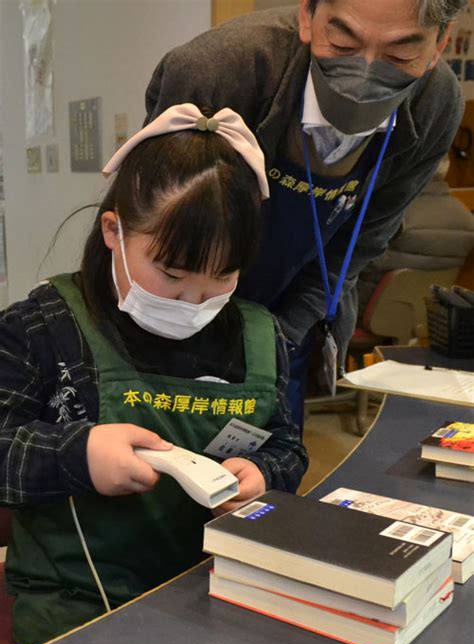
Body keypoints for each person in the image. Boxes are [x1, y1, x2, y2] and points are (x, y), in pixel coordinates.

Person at [0, 104, 308, 644]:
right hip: (80, 605)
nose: (194, 301)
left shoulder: (261, 337)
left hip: (216, 593)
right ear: (115, 231)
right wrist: (79, 454)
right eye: (171, 274)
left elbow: (286, 446)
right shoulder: (43, 328)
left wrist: (264, 476)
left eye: (224, 276)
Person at [143, 0, 467, 430]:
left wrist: (285, 334)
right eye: (342, 41)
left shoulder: (435, 105)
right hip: (178, 311)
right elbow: (151, 224)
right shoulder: (222, 70)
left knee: (269, 473)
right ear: (307, 17)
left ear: (439, 46)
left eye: (398, 55)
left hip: (289, 311)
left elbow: (364, 240)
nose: (364, 75)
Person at [357, 155, 474, 316]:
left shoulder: (395, 211)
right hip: (430, 315)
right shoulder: (468, 219)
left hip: (365, 308)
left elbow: (361, 263)